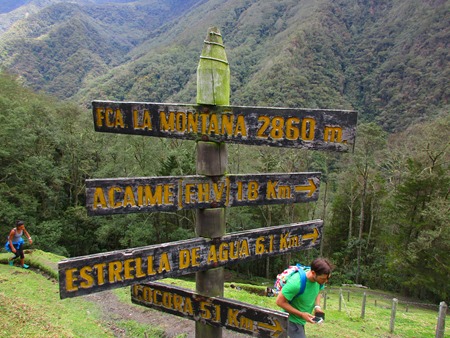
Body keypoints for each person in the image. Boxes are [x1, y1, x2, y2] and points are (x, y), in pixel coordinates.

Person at [276, 258, 333, 338]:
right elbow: (279, 302)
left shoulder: (319, 280)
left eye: (328, 278)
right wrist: (302, 314)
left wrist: (317, 307)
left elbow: (318, 290)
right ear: (313, 273)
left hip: (301, 321)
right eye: (323, 279)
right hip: (291, 321)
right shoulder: (296, 283)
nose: (326, 281)